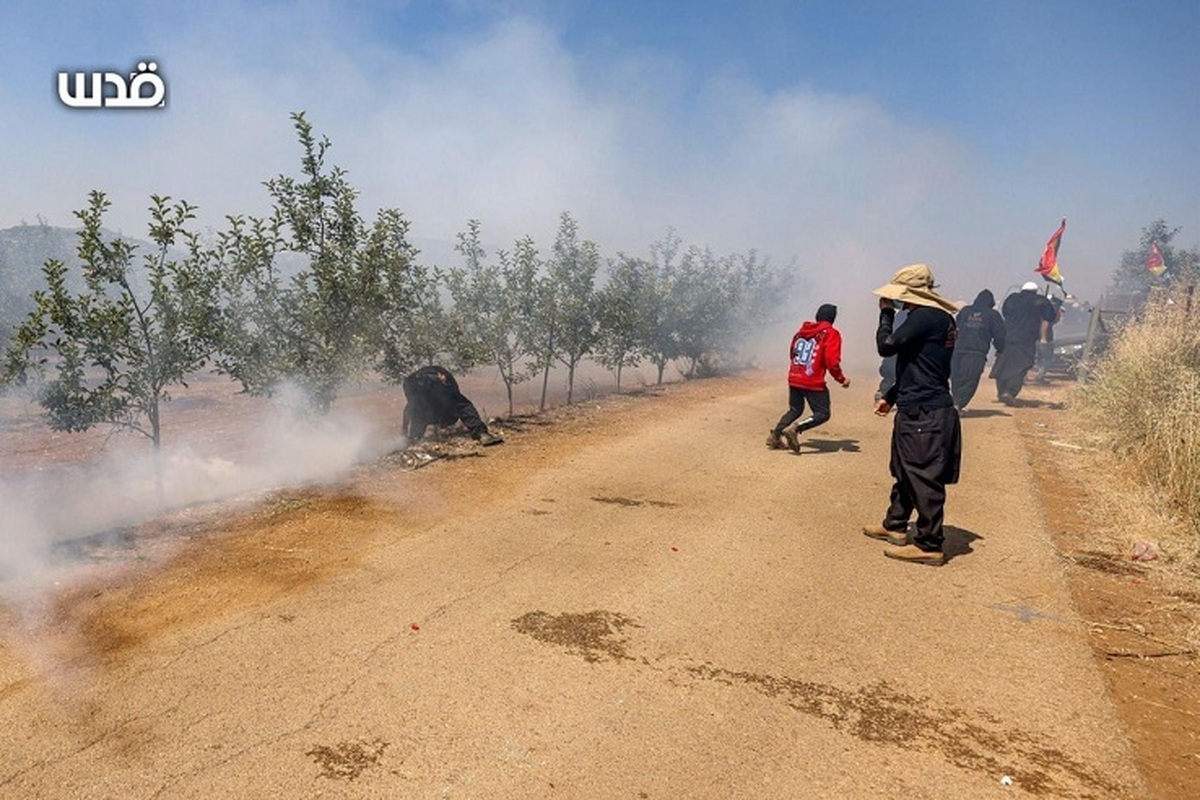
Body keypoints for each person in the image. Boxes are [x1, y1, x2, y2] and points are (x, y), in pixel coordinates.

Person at [862, 264, 961, 566]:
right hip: (917, 404)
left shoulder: (926, 317)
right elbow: (919, 367)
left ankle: (929, 543)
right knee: (905, 468)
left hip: (925, 412)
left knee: (922, 473)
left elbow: (886, 346)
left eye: (900, 298)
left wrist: (885, 314)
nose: (899, 303)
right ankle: (895, 524)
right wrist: (892, 397)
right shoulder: (937, 319)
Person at [766, 303, 850, 453]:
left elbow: (792, 352)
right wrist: (841, 379)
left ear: (817, 316)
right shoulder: (831, 333)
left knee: (795, 409)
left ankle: (775, 437)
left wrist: (797, 370)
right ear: (833, 319)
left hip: (795, 376)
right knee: (823, 413)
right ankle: (795, 429)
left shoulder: (800, 333)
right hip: (812, 380)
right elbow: (831, 361)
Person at [402, 365, 503, 446]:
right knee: (462, 405)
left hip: (411, 382)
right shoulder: (448, 391)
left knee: (419, 412)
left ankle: (413, 440)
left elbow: (409, 410)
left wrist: (404, 432)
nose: (443, 426)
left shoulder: (431, 407)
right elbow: (461, 406)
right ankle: (481, 434)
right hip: (431, 379)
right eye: (444, 425)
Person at [991, 281, 1057, 404]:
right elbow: (1051, 317)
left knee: (1004, 365)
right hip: (1026, 339)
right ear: (1035, 291)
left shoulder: (1011, 298)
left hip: (1007, 337)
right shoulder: (1039, 300)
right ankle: (1009, 392)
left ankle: (1002, 392)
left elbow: (1005, 312)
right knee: (1022, 365)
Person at [950, 289, 1006, 410]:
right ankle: (957, 404)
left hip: (957, 351)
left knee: (956, 378)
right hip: (976, 353)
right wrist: (1000, 350)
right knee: (970, 380)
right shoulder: (993, 315)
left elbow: (955, 327)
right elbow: (999, 335)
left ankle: (955, 402)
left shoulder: (965, 312)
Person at [1034, 296, 1064, 384]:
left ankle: (1025, 376)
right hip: (1046, 339)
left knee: (1035, 358)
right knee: (1047, 359)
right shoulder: (1051, 310)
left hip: (1035, 337)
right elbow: (1046, 322)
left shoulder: (1040, 309)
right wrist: (1044, 338)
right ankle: (1040, 376)